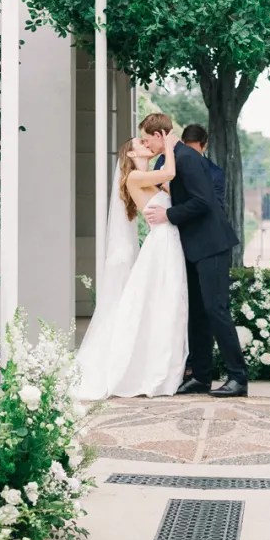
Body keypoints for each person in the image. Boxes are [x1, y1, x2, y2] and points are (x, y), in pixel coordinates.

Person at [72, 134, 189, 399]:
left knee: (168, 305)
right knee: (160, 303)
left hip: (169, 243)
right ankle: (148, 371)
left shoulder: (153, 182)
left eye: (148, 143)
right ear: (132, 155)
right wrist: (169, 147)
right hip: (160, 245)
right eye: (141, 144)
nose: (147, 146)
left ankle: (163, 367)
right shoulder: (135, 178)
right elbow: (170, 171)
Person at [140, 113, 248, 398]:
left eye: (147, 139)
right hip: (192, 247)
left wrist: (168, 214)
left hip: (211, 244)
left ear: (160, 135)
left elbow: (203, 201)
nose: (146, 144)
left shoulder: (186, 157)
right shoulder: (176, 158)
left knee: (216, 310)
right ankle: (200, 376)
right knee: (197, 314)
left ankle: (238, 378)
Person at [180, 124, 226, 215]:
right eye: (186, 149)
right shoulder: (167, 161)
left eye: (193, 151)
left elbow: (216, 209)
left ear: (204, 146)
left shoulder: (215, 174)